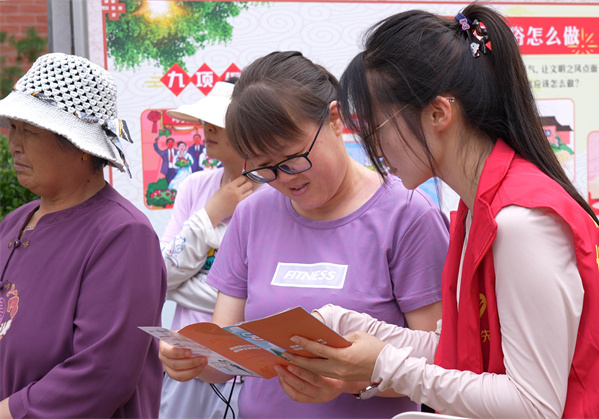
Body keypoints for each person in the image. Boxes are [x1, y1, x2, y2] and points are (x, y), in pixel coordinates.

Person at [276, 5, 599, 418]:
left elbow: (533, 406)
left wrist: (384, 365)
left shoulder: (520, 223)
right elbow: (458, 349)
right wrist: (348, 326)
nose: (374, 148)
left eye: (376, 128)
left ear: (438, 114)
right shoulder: (482, 205)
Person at [158, 51, 449, 418]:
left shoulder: (407, 215)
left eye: (292, 158)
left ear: (334, 119)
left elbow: (442, 364)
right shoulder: (252, 214)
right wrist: (195, 360)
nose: (283, 179)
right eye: (264, 168)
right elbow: (227, 355)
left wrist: (348, 381)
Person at [0, 53, 166, 417]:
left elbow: (103, 374)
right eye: (13, 127)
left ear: (79, 147)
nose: (14, 144)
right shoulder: (15, 222)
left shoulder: (123, 235)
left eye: (29, 131)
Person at [159, 80, 261, 418]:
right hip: (184, 361)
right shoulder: (194, 186)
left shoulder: (275, 197)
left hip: (248, 368)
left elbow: (260, 300)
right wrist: (211, 213)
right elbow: (161, 275)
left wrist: (183, 287)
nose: (207, 129)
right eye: (206, 121)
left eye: (219, 122)